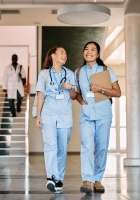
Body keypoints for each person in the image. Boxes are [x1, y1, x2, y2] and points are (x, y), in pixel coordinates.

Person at [75, 41, 121, 194]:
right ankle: (87, 180)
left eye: (93, 49)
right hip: (87, 115)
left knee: (101, 147)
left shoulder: (105, 70)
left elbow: (117, 92)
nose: (89, 51)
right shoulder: (78, 71)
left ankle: (98, 180)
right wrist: (83, 104)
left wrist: (100, 88)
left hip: (103, 113)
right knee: (87, 146)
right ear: (83, 53)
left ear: (98, 54)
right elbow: (77, 94)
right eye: (86, 49)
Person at [35, 46, 77, 194]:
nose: (65, 55)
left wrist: (71, 87)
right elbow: (40, 95)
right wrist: (38, 116)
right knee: (50, 145)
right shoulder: (44, 74)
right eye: (62, 52)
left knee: (62, 148)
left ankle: (58, 178)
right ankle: (51, 177)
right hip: (49, 113)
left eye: (66, 53)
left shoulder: (70, 74)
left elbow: (73, 96)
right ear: (52, 55)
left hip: (65, 115)